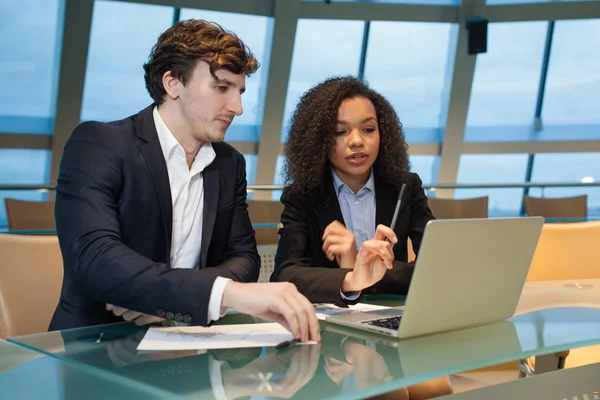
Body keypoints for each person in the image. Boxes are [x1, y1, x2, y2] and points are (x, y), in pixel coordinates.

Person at [49, 19, 319, 344]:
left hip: (189, 344)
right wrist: (212, 293)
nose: (238, 108)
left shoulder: (229, 163)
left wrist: (173, 300)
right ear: (173, 84)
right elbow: (96, 259)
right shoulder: (98, 144)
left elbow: (244, 258)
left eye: (240, 91)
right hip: (98, 348)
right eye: (222, 88)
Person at [272, 76, 435, 306]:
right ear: (318, 140)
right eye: (340, 132)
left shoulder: (406, 187)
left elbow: (435, 268)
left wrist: (361, 268)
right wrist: (349, 279)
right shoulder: (302, 196)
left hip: (390, 317)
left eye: (368, 129)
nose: (357, 141)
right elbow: (284, 276)